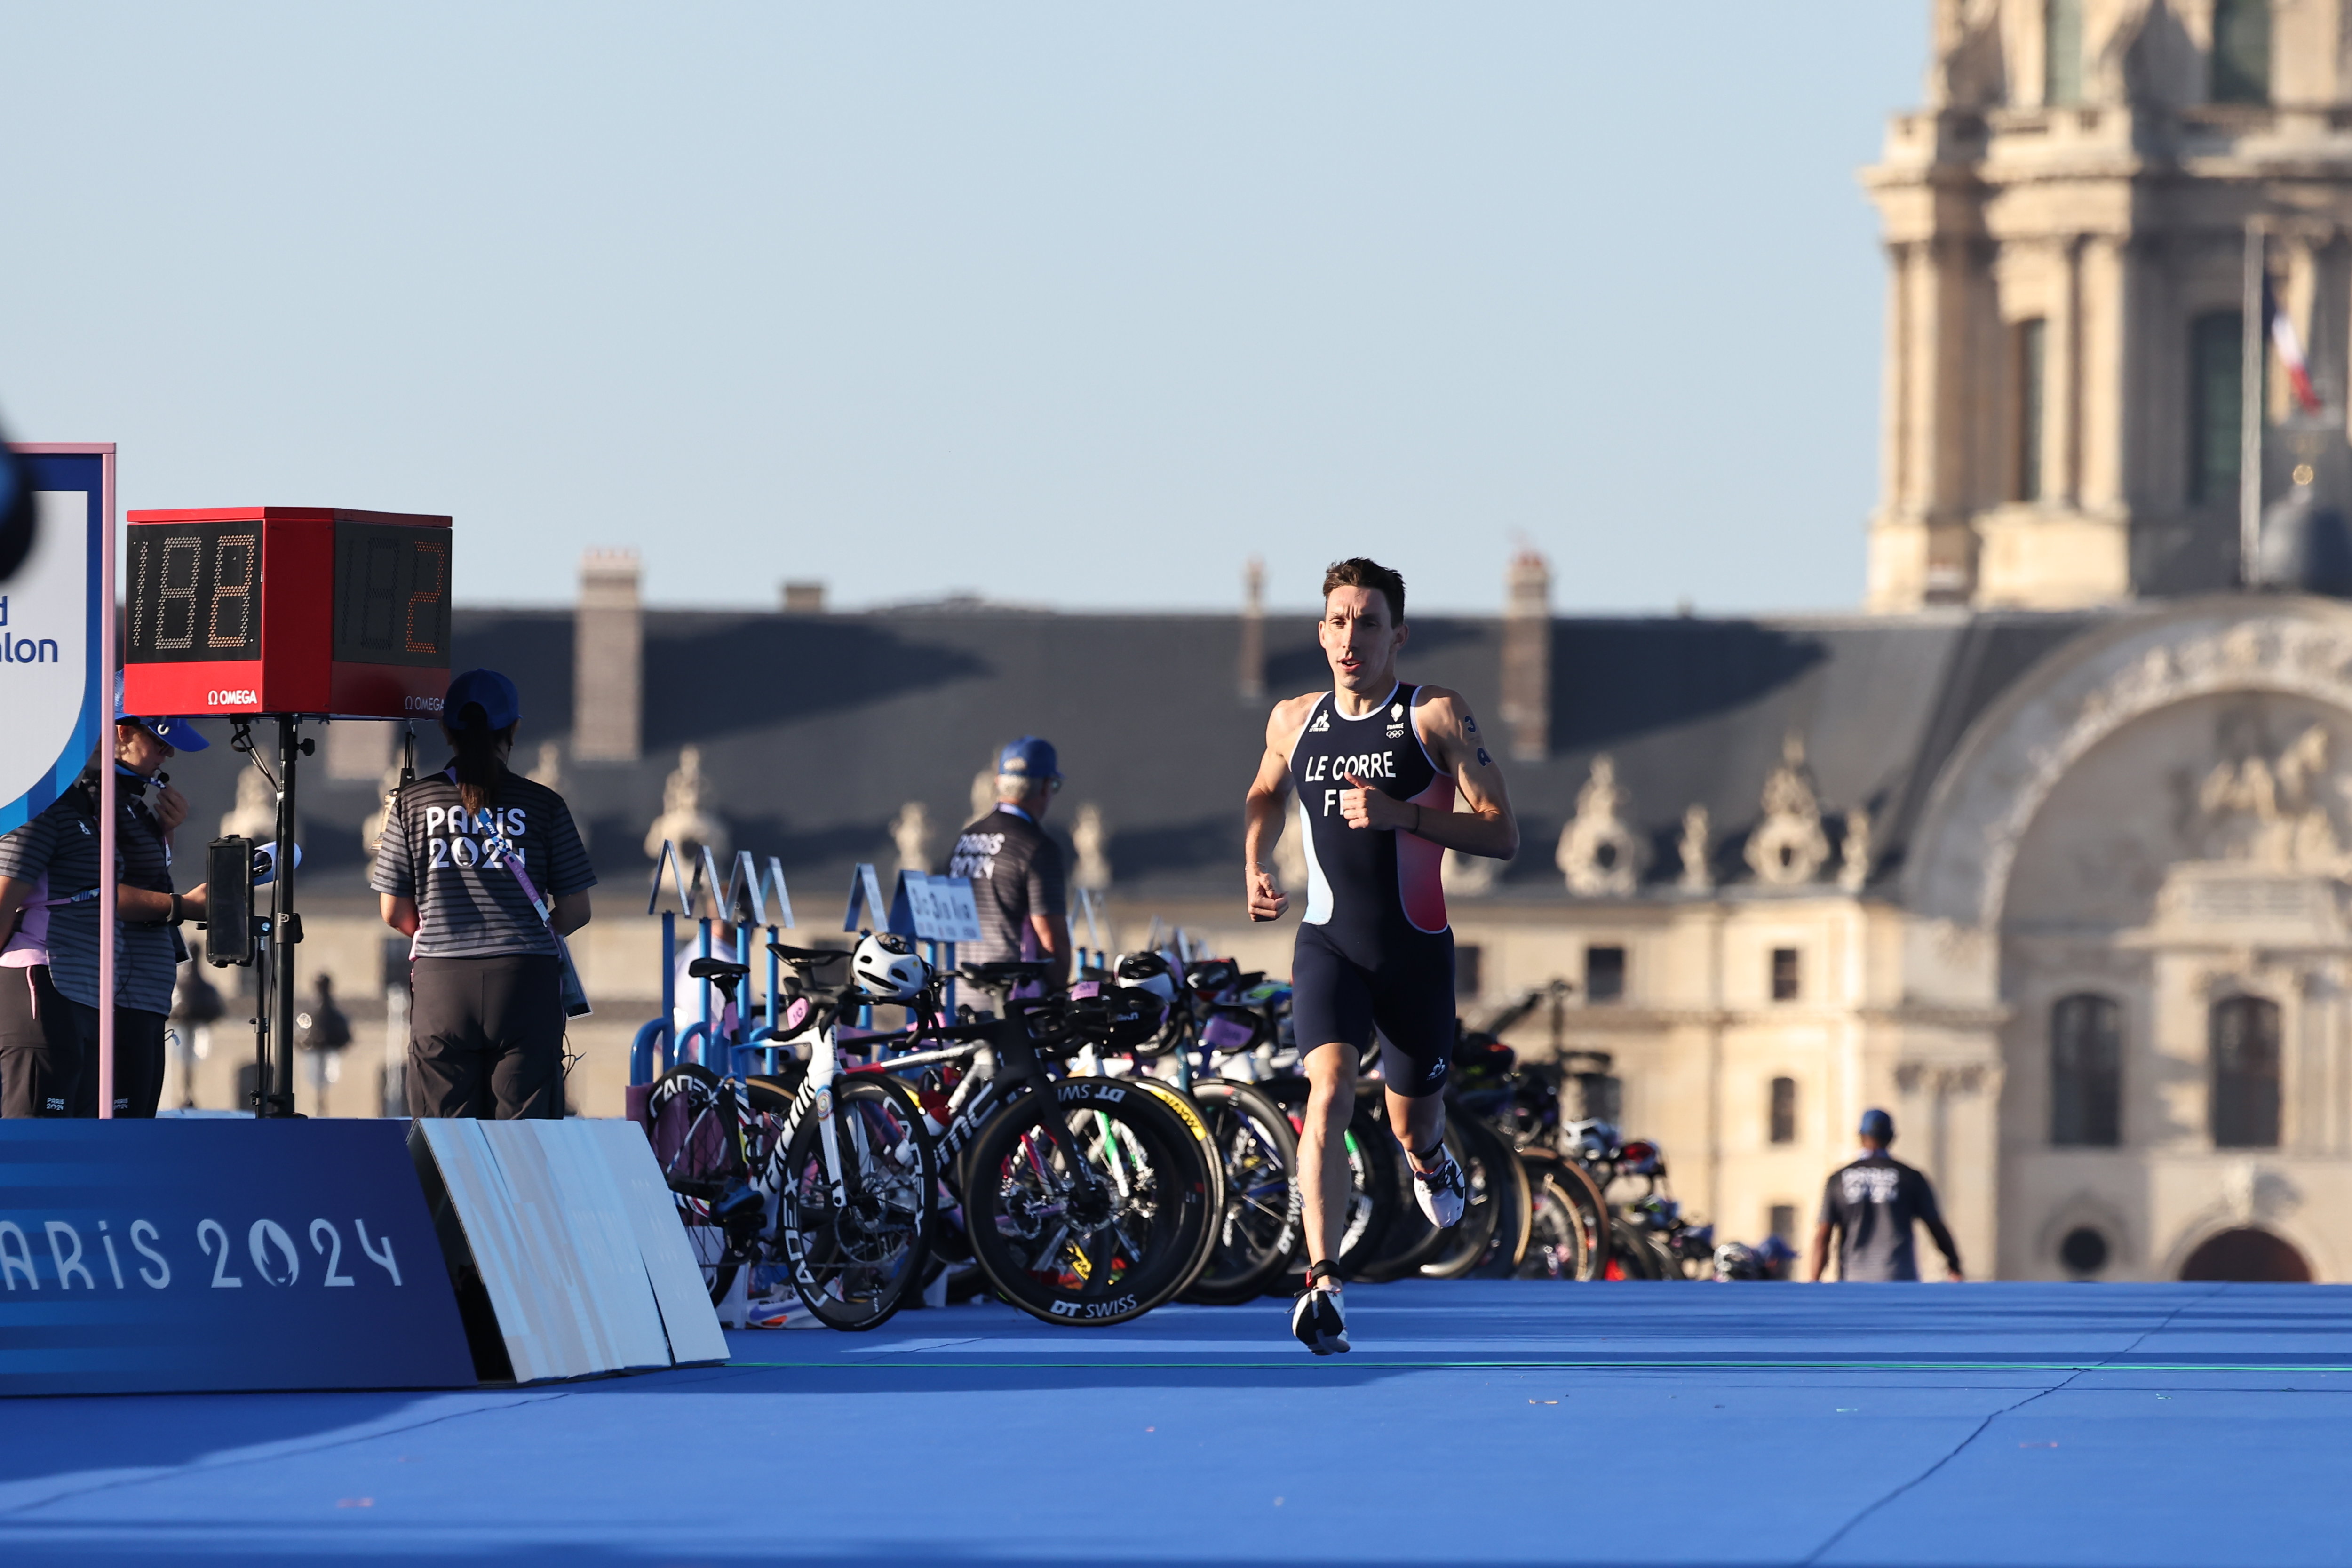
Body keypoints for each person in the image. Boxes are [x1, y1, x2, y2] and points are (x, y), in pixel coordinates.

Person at [1241, 558, 1519, 1353]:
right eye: (1337, 620)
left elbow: (1502, 832)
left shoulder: (1432, 714)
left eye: (1368, 622)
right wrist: (1256, 859)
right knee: (1325, 1090)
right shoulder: (1294, 720)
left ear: (1397, 634)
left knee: (1410, 1120)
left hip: (1415, 953)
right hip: (1327, 943)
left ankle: (1432, 1159)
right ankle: (1322, 1278)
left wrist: (1405, 814)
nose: (1350, 636)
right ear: (1321, 630)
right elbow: (1264, 790)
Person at [373, 669, 595, 1119]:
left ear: (445, 728)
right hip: (524, 982)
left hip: (442, 985)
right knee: (524, 1140)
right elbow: (577, 909)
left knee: (445, 1141)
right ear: (513, 727)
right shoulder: (544, 804)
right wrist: (532, 931)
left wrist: (436, 932)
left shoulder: (413, 803)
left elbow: (393, 909)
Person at [0, 691, 210, 1117]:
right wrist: (181, 906)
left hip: (84, 992)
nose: (168, 756)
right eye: (160, 741)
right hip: (47, 980)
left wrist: (165, 836)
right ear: (119, 731)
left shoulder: (91, 809)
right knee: (39, 1148)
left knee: (79, 1149)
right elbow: (9, 898)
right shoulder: (48, 805)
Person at [946, 737, 1072, 987]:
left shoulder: (965, 839)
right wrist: (1057, 995)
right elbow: (1050, 939)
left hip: (956, 996)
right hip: (1010, 1004)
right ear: (1047, 786)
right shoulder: (1037, 848)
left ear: (999, 783)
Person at [1807, 1108, 1964, 1283]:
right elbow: (1935, 1226)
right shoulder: (1910, 1177)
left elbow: (1823, 1236)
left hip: (1854, 1279)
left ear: (1861, 1137)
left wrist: (1815, 1280)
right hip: (1898, 1277)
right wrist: (1954, 1263)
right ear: (1892, 1138)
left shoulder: (1838, 1179)